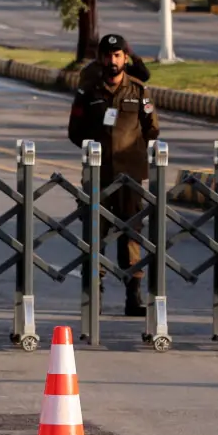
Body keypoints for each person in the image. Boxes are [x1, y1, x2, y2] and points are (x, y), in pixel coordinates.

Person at [67, 32, 159, 315]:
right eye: (108, 56)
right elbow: (75, 132)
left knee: (131, 234)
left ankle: (134, 296)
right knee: (95, 233)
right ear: (101, 59)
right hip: (98, 175)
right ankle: (94, 294)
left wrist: (131, 150)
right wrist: (99, 150)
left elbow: (152, 128)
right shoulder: (88, 92)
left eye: (117, 56)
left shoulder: (139, 91)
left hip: (130, 175)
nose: (112, 61)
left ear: (125, 58)